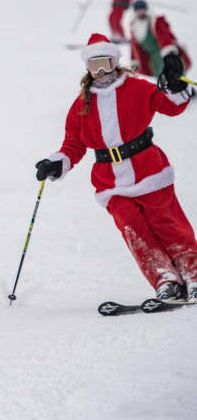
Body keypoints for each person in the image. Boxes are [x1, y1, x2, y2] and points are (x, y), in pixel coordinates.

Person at [35, 33, 197, 303]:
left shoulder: (138, 88)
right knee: (134, 229)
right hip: (110, 182)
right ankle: (165, 278)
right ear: (87, 68)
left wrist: (175, 84)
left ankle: (193, 273)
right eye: (94, 65)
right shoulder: (81, 105)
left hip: (149, 170)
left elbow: (171, 106)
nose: (101, 72)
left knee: (167, 224)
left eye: (105, 64)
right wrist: (57, 162)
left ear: (115, 61)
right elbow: (73, 144)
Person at [130, 0, 192, 86]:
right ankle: (167, 94)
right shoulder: (134, 26)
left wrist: (169, 52)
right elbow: (134, 46)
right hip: (152, 59)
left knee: (173, 71)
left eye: (142, 10)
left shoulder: (155, 21)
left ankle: (185, 88)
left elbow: (164, 36)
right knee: (160, 76)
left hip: (163, 54)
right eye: (138, 10)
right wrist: (135, 60)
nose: (141, 12)